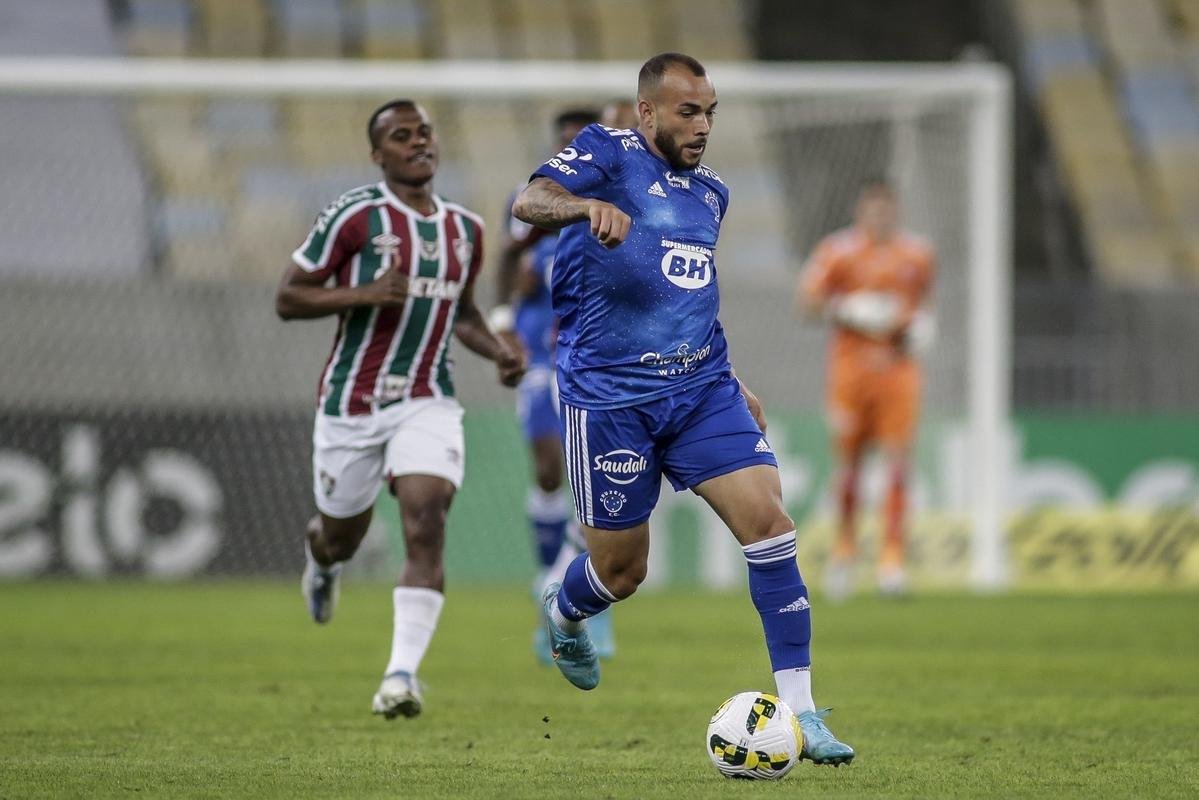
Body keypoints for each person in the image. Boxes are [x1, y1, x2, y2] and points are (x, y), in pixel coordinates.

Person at [511, 53, 854, 765]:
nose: (701, 126)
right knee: (620, 572)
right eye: (686, 111)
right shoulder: (605, 154)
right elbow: (529, 199)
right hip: (609, 401)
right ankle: (566, 607)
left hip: (700, 391)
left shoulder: (712, 194)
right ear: (646, 112)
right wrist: (581, 206)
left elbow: (688, 299)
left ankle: (802, 711)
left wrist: (735, 380)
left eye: (709, 112)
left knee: (769, 523)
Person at [275, 98, 525, 720]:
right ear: (377, 154)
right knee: (341, 536)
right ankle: (322, 562)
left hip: (427, 397)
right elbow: (288, 296)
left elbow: (460, 313)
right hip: (351, 403)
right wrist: (363, 292)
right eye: (401, 136)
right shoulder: (355, 217)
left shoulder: (465, 229)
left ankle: (400, 675)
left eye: (425, 132)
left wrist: (497, 351)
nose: (418, 143)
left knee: (426, 513)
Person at [490, 108, 617, 664]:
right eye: (566, 143)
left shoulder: (619, 207)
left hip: (599, 359)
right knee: (547, 466)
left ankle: (576, 598)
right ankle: (549, 577)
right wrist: (502, 322)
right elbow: (507, 256)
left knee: (597, 479)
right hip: (544, 353)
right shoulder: (537, 210)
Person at [796, 179, 936, 600]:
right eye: (873, 209)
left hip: (898, 373)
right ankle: (843, 554)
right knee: (849, 467)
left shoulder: (918, 253)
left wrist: (924, 328)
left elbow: (923, 305)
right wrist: (846, 308)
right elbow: (806, 303)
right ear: (862, 211)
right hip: (850, 373)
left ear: (895, 211)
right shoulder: (837, 251)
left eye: (887, 210)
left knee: (897, 464)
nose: (881, 217)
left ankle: (892, 562)